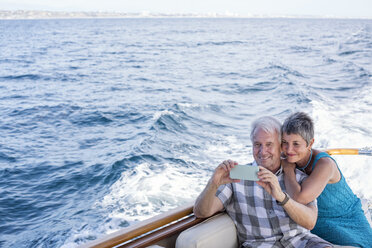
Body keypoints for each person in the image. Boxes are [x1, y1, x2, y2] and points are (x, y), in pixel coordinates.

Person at [194, 116, 332, 248]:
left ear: (280, 146)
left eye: (269, 144)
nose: (262, 151)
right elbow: (201, 212)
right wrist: (213, 183)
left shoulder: (298, 178)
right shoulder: (235, 178)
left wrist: (281, 196)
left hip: (300, 242)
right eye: (257, 144)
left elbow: (310, 222)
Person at [281, 112, 372, 248]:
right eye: (284, 143)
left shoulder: (325, 164)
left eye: (296, 144)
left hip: (345, 216)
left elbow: (300, 198)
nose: (289, 150)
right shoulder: (288, 156)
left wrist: (288, 169)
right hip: (314, 220)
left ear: (310, 143)